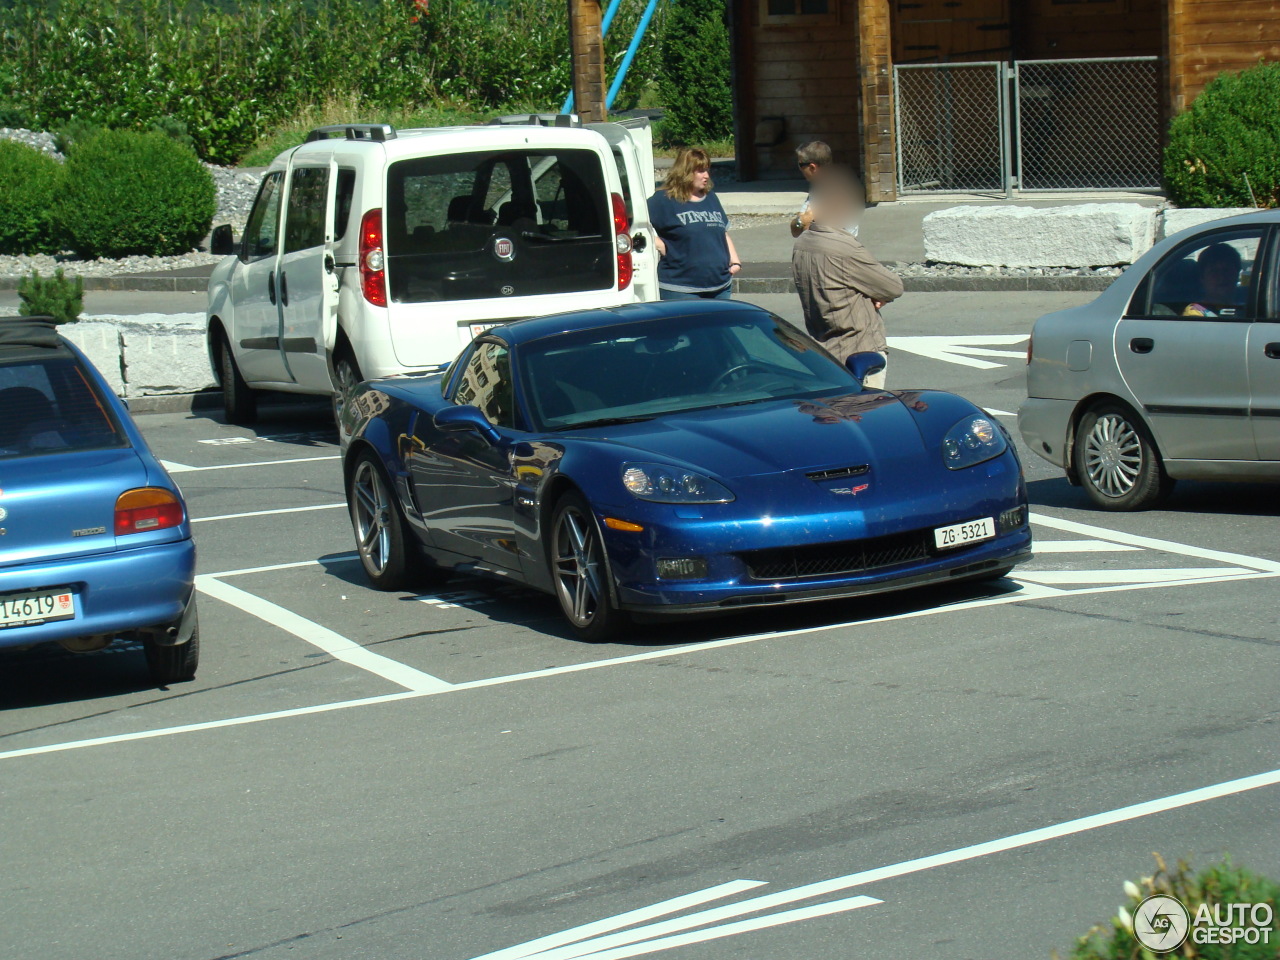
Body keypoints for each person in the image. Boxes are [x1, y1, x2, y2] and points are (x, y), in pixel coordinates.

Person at [791, 178, 902, 389]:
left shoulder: (802, 244)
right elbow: (893, 286)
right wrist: (876, 294)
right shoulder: (845, 248)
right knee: (867, 414)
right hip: (859, 350)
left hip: (824, 347)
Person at [647, 147, 741, 300]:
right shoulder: (663, 200)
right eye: (700, 171)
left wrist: (735, 261)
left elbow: (722, 232)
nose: (706, 176)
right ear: (685, 172)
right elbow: (633, 224)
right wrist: (659, 245)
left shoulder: (710, 197)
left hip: (720, 285)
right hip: (680, 287)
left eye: (707, 170)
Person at [791, 141, 862, 238]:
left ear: (812, 167)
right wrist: (802, 220)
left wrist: (804, 220)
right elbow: (795, 231)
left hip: (838, 248)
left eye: (800, 165)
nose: (799, 169)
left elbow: (804, 231)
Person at [1183, 242, 1242, 316]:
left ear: (1237, 274)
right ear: (1202, 278)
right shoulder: (1195, 312)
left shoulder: (1248, 308)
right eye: (1214, 271)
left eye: (1227, 270)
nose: (1222, 276)